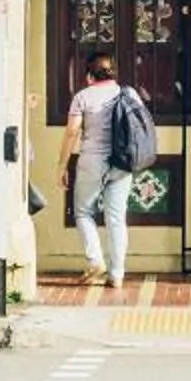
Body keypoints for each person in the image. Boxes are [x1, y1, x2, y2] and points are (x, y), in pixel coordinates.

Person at [60, 50, 133, 290]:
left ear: (89, 74)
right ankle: (117, 274)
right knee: (116, 218)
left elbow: (72, 132)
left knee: (82, 212)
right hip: (122, 162)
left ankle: (95, 261)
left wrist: (62, 165)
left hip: (92, 161)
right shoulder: (129, 94)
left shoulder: (83, 97)